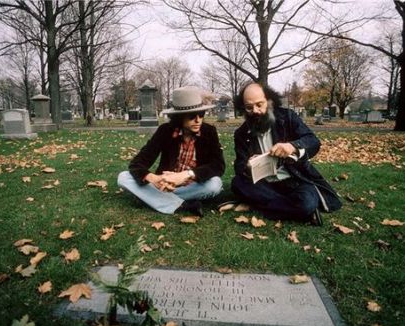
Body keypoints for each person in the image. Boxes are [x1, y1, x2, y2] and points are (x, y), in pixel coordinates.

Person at [231, 82, 342, 225]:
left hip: (295, 179)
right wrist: (247, 165)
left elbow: (313, 141)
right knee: (237, 183)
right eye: (249, 107)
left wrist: (292, 146)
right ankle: (294, 210)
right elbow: (239, 167)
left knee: (306, 203)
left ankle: (263, 206)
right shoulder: (241, 133)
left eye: (259, 104)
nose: (255, 111)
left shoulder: (288, 117)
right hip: (264, 184)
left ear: (269, 101)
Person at [117, 86, 225, 217]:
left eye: (201, 115)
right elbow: (137, 163)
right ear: (179, 117)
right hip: (164, 184)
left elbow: (218, 166)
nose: (198, 120)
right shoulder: (165, 131)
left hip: (192, 184)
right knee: (123, 177)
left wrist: (187, 175)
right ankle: (183, 205)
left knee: (215, 184)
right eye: (192, 116)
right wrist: (154, 178)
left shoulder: (209, 132)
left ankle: (150, 198)